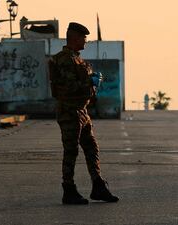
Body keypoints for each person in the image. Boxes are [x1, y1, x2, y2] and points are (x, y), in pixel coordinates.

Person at [48, 22, 119, 205]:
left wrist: (93, 82)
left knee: (91, 147)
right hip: (69, 110)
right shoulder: (64, 59)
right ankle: (68, 189)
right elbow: (69, 87)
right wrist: (90, 82)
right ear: (75, 38)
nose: (86, 41)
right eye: (83, 37)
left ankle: (98, 186)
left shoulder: (77, 59)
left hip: (81, 110)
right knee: (71, 150)